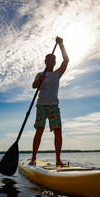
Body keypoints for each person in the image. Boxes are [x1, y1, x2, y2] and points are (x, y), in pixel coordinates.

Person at [29, 37, 69, 166]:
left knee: (58, 131)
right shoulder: (40, 74)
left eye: (53, 60)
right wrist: (39, 80)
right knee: (39, 130)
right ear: (45, 62)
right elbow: (34, 86)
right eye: (49, 60)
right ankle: (33, 158)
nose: (51, 62)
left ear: (55, 62)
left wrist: (61, 45)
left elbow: (66, 60)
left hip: (54, 106)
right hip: (41, 106)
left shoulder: (57, 73)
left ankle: (58, 159)